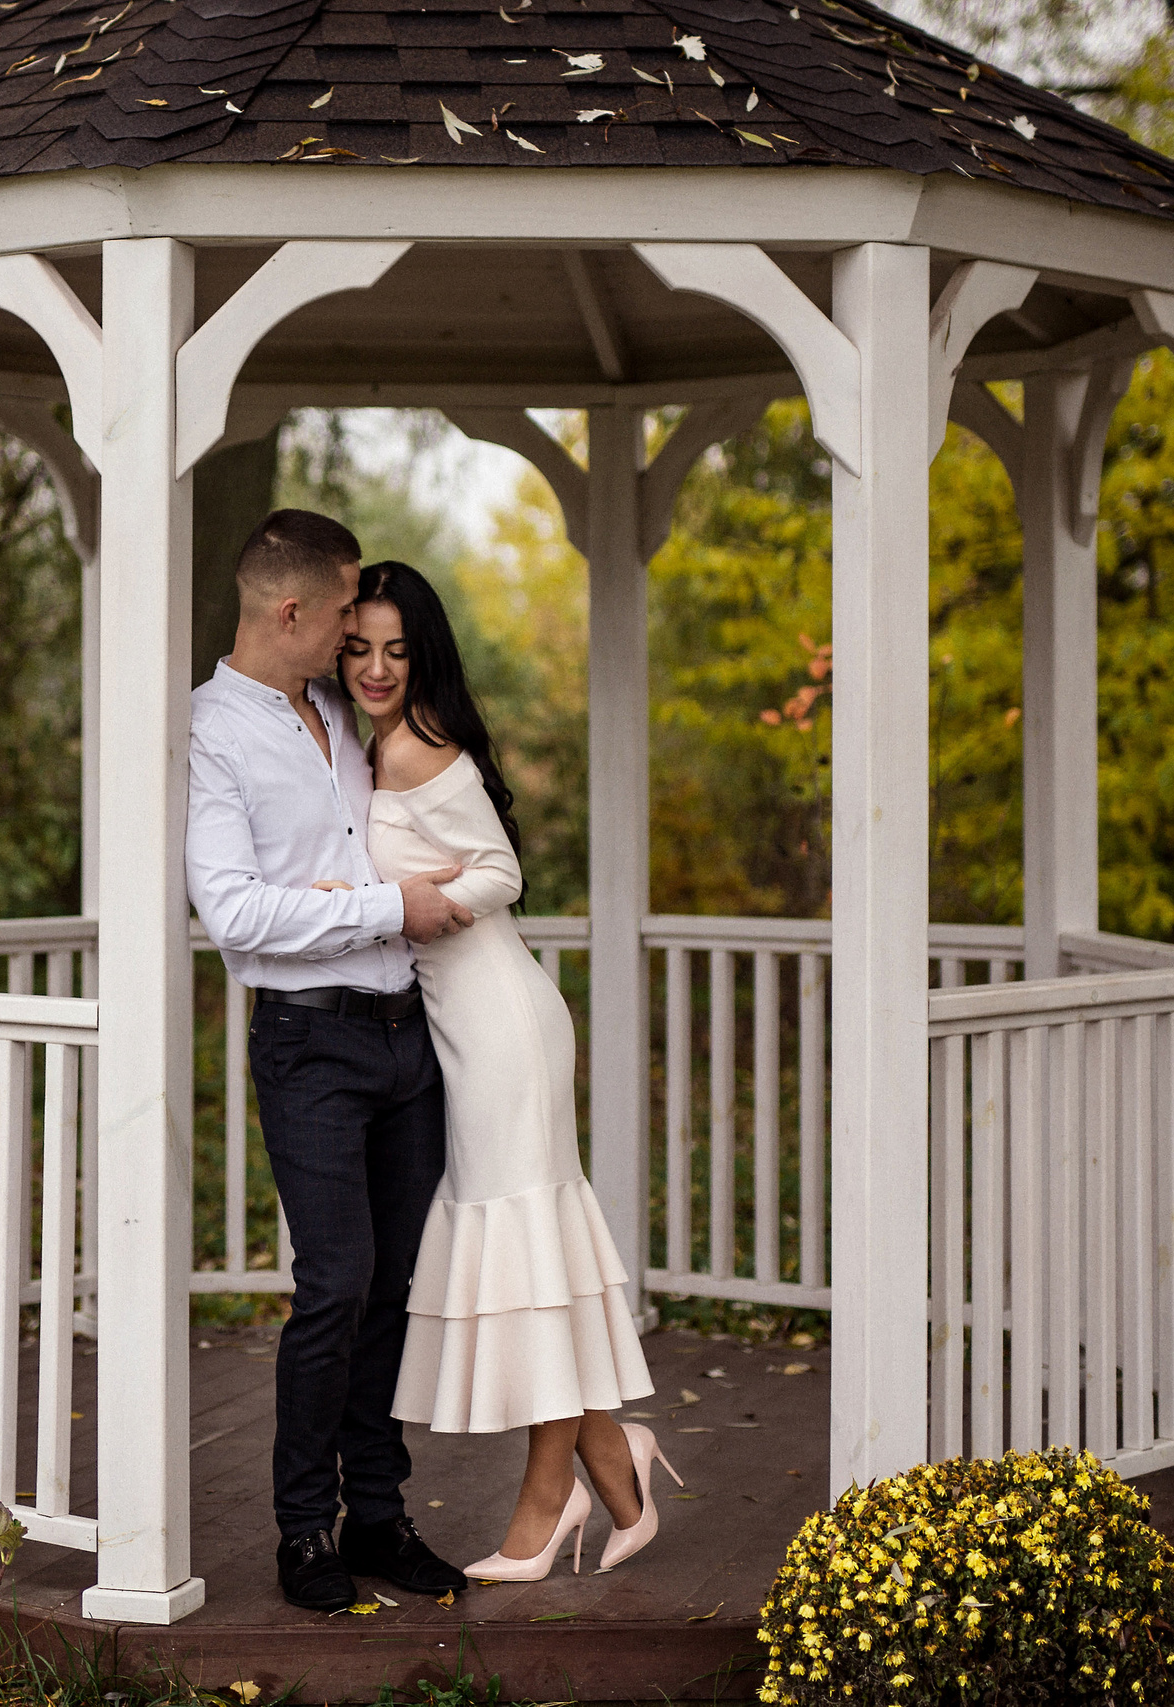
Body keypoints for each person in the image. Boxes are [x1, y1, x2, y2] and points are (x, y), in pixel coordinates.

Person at [335, 560, 670, 1581]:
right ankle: (613, 1464)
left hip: (502, 1032)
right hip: (467, 1033)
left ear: (422, 652)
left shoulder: (420, 745)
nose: (377, 668)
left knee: (524, 1263)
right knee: (530, 1263)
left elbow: (502, 872)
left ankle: (548, 1498)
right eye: (359, 648)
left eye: (396, 648)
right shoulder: (377, 747)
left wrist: (419, 894)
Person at [185, 511, 477, 1613]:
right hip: (309, 1042)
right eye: (347, 604)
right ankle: (304, 1531)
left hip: (409, 1034)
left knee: (395, 1289)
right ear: (292, 610)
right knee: (335, 1286)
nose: (361, 626)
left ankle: (380, 1520)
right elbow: (233, 913)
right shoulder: (214, 730)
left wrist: (351, 904)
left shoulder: (337, 711)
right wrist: (379, 907)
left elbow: (336, 871)